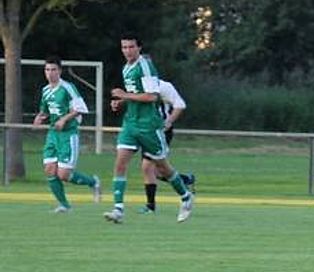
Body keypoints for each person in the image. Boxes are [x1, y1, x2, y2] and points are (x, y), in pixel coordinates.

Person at [104, 33, 195, 224]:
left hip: (149, 126)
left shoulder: (145, 66)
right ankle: (118, 209)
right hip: (131, 123)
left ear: (139, 48)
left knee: (162, 167)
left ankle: (186, 196)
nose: (127, 51)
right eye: (124, 47)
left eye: (131, 47)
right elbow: (136, 94)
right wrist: (121, 102)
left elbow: (151, 96)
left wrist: (124, 95)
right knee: (120, 163)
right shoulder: (127, 68)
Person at [33, 56, 100, 212]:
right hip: (53, 134)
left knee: (63, 174)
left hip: (68, 134)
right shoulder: (45, 90)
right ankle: (64, 205)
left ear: (60, 71)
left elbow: (80, 108)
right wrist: (39, 118)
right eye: (47, 70)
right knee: (49, 170)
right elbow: (45, 111)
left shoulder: (67, 88)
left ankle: (93, 182)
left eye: (53, 70)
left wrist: (64, 119)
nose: (50, 73)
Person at [138, 77, 195, 215]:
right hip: (146, 131)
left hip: (161, 132)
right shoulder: (137, 87)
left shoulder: (163, 86)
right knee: (156, 172)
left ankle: (150, 206)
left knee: (147, 167)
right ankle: (185, 180)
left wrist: (168, 122)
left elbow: (180, 104)